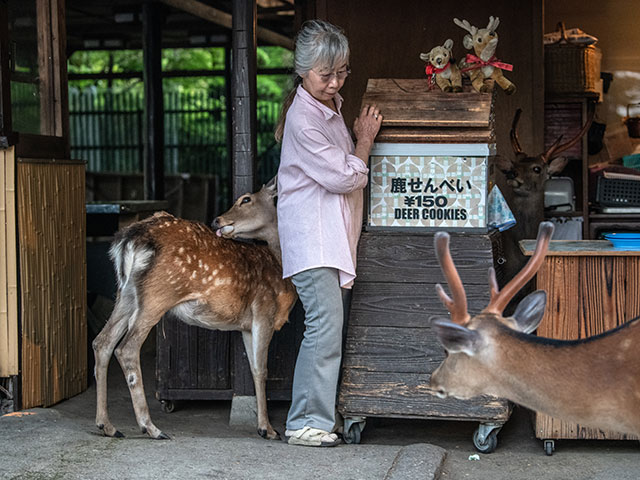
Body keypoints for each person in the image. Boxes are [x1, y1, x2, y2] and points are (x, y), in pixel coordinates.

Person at [275, 19, 382, 447]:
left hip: (330, 238)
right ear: (303, 71)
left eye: (342, 72)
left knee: (327, 326)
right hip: (314, 239)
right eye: (326, 74)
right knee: (323, 326)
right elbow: (343, 177)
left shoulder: (329, 106)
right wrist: (365, 142)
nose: (335, 82)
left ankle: (315, 416)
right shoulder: (305, 118)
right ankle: (305, 422)